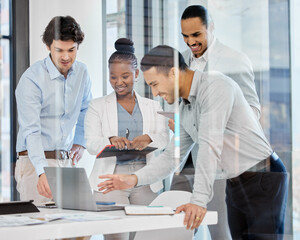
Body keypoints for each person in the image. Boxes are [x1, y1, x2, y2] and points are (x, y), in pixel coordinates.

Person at [97, 45, 288, 240]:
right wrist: (134, 179)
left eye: (154, 84)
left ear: (172, 73)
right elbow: (172, 156)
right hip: (235, 181)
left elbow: (209, 146)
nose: (154, 93)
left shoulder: (216, 87)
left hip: (263, 176)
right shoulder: (186, 107)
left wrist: (198, 201)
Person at [169, 5, 262, 239]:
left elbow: (253, 112)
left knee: (219, 230)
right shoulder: (181, 62)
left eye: (196, 35)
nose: (191, 42)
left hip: (217, 162)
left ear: (210, 28)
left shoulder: (234, 60)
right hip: (185, 159)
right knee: (170, 224)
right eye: (185, 36)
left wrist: (216, 123)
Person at [84, 38, 169, 240]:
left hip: (145, 180)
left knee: (145, 236)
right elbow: (90, 143)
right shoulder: (97, 106)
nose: (118, 82)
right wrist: (110, 139)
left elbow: (165, 137)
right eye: (113, 77)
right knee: (116, 237)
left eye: (125, 76)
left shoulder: (153, 106)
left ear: (137, 74)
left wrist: (149, 138)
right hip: (111, 180)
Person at [15, 16, 92, 206]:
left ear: (77, 47)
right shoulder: (31, 79)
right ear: (49, 47)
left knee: (74, 227)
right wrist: (42, 171)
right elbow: (31, 130)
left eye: (71, 50)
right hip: (34, 164)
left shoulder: (82, 72)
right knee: (40, 230)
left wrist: (80, 143)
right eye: (59, 50)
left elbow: (85, 110)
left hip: (66, 162)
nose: (66, 57)